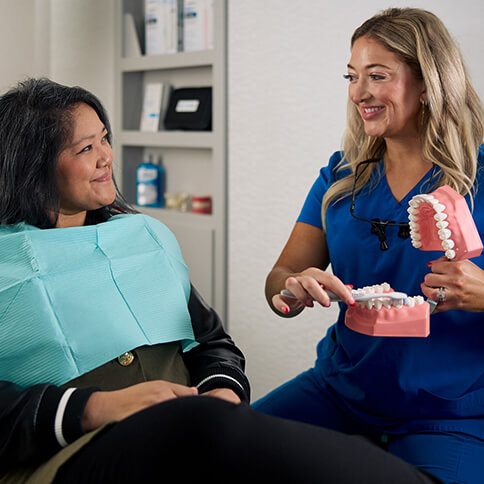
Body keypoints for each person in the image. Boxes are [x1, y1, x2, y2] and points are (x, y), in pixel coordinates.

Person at [0, 78, 444, 484]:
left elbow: (213, 342)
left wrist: (221, 392)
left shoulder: (143, 237)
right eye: (84, 149)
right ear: (33, 164)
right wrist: (94, 408)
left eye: (105, 139)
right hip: (69, 450)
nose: (106, 157)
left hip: (190, 424)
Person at [255, 7, 484, 484]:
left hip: (450, 417)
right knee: (217, 449)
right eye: (352, 76)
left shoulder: (479, 174)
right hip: (340, 391)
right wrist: (293, 287)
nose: (359, 93)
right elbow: (279, 280)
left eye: (377, 76)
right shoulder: (340, 177)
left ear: (428, 84)